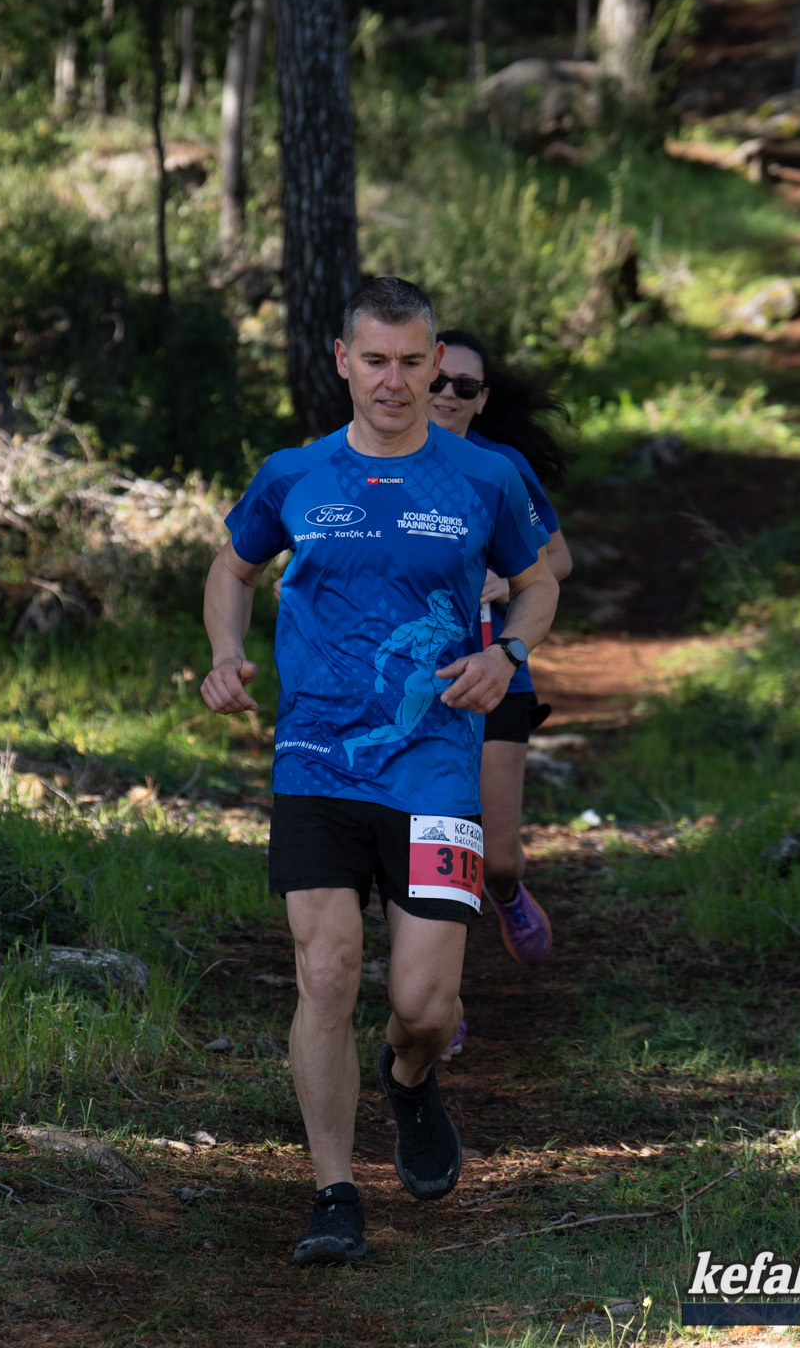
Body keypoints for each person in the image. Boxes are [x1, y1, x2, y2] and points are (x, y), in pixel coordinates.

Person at [200, 278, 559, 1266]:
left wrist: (508, 655)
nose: (393, 382)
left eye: (411, 363)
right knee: (324, 971)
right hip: (316, 759)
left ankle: (409, 1080)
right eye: (375, 362)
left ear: (436, 363)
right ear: (342, 362)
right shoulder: (294, 475)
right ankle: (334, 1194)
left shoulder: (482, 478)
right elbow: (232, 567)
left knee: (424, 1008)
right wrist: (226, 652)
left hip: (437, 770)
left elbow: (537, 585)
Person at [428, 329, 574, 988]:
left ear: (482, 399)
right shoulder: (376, 463)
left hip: (498, 675)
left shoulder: (502, 467)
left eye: (464, 386)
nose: (447, 395)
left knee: (499, 859)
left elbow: (557, 560)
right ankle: (439, 1001)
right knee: (435, 856)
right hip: (417, 683)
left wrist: (505, 581)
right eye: (437, 380)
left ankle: (509, 893)